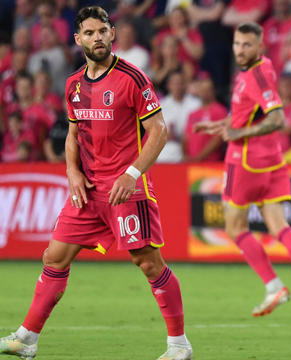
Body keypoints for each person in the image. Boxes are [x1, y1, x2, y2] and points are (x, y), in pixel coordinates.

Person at [0, 7, 192, 360]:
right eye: (89, 33)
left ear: (112, 33)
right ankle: (27, 338)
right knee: (54, 256)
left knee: (149, 263)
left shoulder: (132, 78)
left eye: (102, 31)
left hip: (126, 188)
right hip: (88, 190)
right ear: (78, 39)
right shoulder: (74, 84)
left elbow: (159, 131)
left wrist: (132, 174)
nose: (97, 38)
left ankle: (179, 345)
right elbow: (73, 134)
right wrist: (72, 172)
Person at [194, 22, 291, 318]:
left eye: (247, 45)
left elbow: (277, 118)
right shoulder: (259, 69)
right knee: (279, 225)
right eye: (237, 44)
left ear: (260, 47)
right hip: (274, 160)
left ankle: (273, 285)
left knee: (234, 227)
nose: (240, 50)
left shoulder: (256, 75)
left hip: (246, 161)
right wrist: (221, 126)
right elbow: (246, 115)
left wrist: (240, 135)